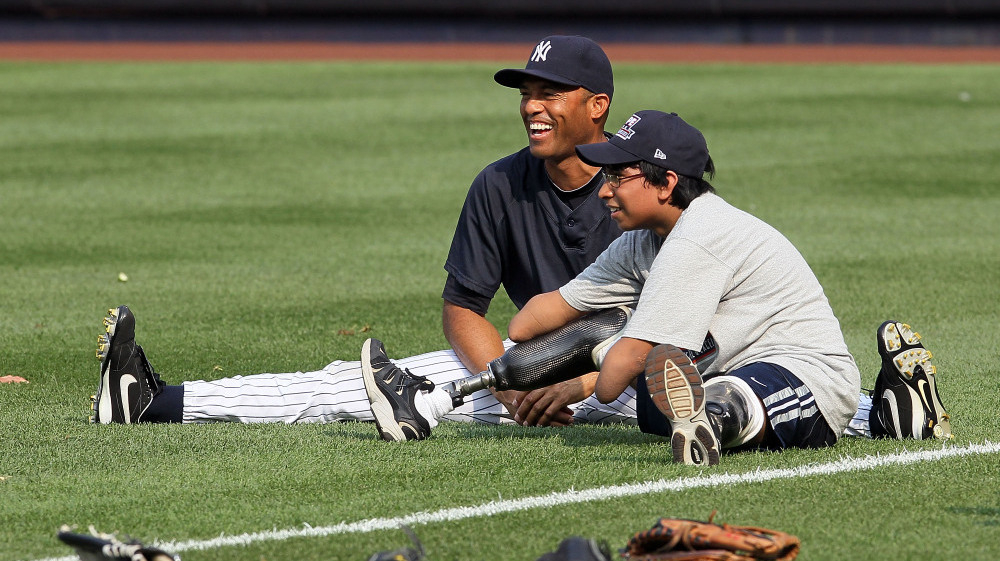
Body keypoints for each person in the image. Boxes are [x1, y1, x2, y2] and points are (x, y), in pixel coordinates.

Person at [91, 35, 637, 428]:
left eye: (552, 93)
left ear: (598, 105)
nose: (532, 107)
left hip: (631, 372)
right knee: (351, 384)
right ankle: (151, 401)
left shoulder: (642, 183)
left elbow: (675, 323)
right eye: (526, 92)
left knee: (691, 387)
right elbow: (463, 308)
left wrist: (580, 382)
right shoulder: (500, 182)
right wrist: (511, 383)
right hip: (531, 367)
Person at [359, 111, 952, 461]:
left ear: (666, 182)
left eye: (619, 175)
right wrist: (579, 340)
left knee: (720, 396)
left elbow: (615, 377)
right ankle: (900, 413)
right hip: (710, 368)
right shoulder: (641, 242)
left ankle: (713, 427)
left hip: (802, 373)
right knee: (648, 378)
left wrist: (594, 351)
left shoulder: (700, 236)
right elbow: (527, 322)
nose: (605, 188)